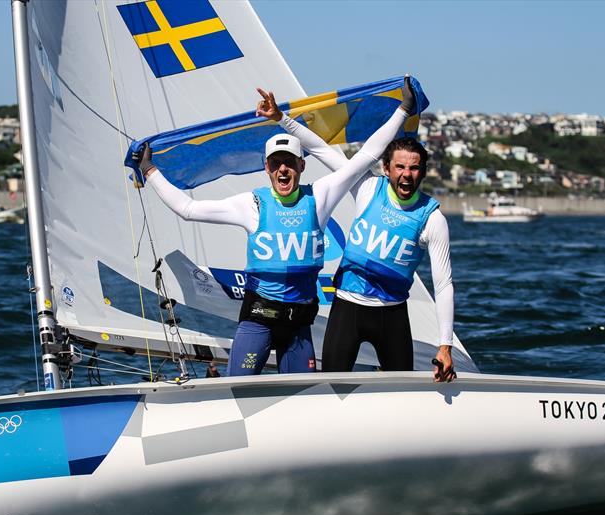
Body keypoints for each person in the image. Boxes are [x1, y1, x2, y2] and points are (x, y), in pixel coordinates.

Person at [132, 81, 416, 376]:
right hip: (258, 321)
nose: (283, 169)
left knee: (301, 401)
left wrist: (403, 109)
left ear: (301, 166)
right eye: (276, 163)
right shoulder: (251, 204)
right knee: (237, 390)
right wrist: (150, 171)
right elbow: (188, 210)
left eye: (290, 163)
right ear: (267, 168)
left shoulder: (319, 197)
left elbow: (366, 156)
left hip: (299, 326)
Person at [260, 82, 456, 382]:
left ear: (423, 172)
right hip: (348, 309)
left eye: (414, 168)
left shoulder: (432, 218)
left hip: (392, 315)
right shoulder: (366, 187)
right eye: (400, 167)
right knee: (332, 390)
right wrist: (281, 119)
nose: (406, 174)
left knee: (401, 395)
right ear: (386, 169)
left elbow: (443, 285)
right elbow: (320, 149)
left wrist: (445, 346)